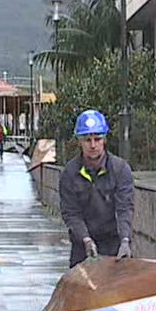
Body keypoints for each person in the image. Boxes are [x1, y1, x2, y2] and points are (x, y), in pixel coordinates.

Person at [58, 109, 134, 267]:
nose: (93, 145)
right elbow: (71, 213)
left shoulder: (120, 169)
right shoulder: (70, 173)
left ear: (104, 140)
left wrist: (125, 240)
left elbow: (124, 208)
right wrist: (85, 239)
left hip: (114, 245)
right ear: (79, 141)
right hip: (82, 247)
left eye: (97, 139)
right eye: (87, 140)